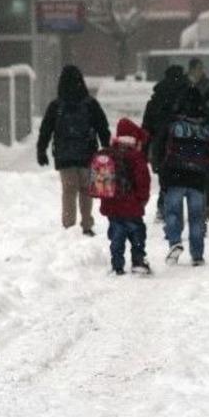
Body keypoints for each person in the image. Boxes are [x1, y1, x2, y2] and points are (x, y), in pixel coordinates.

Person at [37, 65, 111, 236]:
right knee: (86, 189)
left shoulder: (56, 105)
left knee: (69, 191)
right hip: (87, 153)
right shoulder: (90, 104)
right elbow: (102, 126)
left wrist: (41, 150)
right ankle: (86, 225)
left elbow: (46, 129)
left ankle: (69, 226)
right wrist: (106, 147)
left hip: (65, 156)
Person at [160, 88, 209, 267]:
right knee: (197, 218)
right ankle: (197, 254)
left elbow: (161, 149)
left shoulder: (173, 125)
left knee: (173, 214)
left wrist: (161, 172)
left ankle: (175, 241)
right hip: (197, 178)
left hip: (175, 175)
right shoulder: (206, 128)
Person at [99, 118, 152, 276]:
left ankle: (117, 265)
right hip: (132, 206)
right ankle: (138, 261)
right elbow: (143, 180)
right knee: (137, 234)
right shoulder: (136, 157)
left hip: (112, 206)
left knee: (116, 235)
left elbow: (103, 181)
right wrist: (142, 199)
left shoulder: (108, 155)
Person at [142, 65, 190, 222]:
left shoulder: (156, 99)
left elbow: (146, 128)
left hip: (161, 144)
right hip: (184, 142)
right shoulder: (188, 96)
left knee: (165, 178)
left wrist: (144, 150)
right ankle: (180, 209)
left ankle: (163, 208)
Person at [188, 58, 209, 221]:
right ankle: (203, 206)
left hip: (204, 136)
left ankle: (206, 206)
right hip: (199, 136)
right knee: (202, 174)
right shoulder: (196, 87)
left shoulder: (208, 88)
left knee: (205, 174)